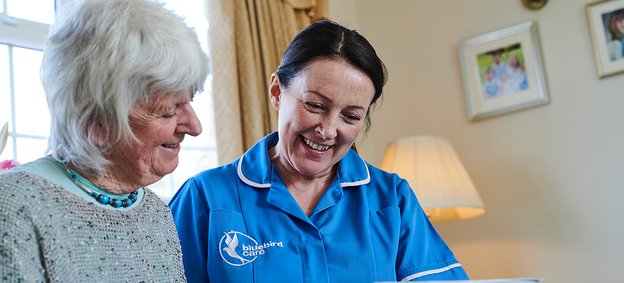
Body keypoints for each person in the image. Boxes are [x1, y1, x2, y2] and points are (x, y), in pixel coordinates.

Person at [169, 20, 469, 282]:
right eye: (314, 105)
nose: (327, 130)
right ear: (276, 91)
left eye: (350, 116)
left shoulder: (392, 200)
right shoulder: (205, 198)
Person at [0, 0, 209, 281]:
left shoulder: (154, 211)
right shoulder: (15, 208)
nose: (195, 127)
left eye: (189, 101)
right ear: (97, 122)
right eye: (168, 110)